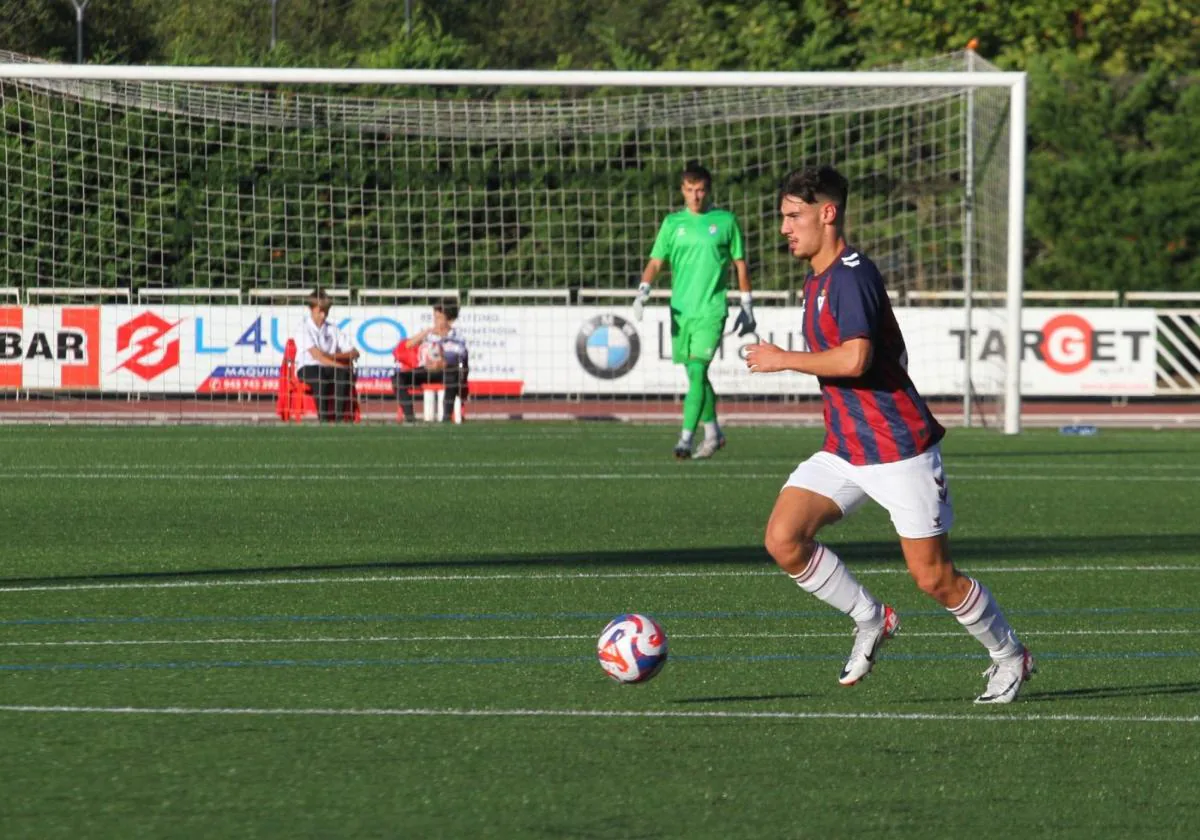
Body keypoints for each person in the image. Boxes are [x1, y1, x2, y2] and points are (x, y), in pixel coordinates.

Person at [744, 165, 1035, 704]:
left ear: (827, 213)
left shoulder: (852, 276)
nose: (783, 227)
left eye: (793, 215)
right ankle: (870, 617)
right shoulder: (819, 277)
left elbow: (857, 358)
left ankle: (1010, 655)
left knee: (935, 579)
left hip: (899, 451)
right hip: (848, 450)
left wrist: (784, 359)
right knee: (784, 539)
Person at [634, 161, 755, 460]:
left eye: (700, 190)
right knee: (695, 376)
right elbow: (656, 261)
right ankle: (714, 432)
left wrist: (747, 304)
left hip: (712, 310)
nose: (695, 196)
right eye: (690, 190)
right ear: (682, 191)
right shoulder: (673, 224)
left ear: (708, 190)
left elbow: (739, 262)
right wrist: (643, 290)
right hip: (680, 313)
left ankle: (685, 439)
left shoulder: (725, 221)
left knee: (699, 370)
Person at [393, 300, 469, 423]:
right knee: (398, 378)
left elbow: (460, 355)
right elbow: (407, 345)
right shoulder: (428, 334)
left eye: (439, 317)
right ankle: (410, 418)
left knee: (452, 376)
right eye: (434, 317)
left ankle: (446, 418)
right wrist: (426, 332)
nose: (435, 320)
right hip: (426, 370)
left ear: (448, 319)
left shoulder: (456, 336)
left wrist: (443, 362)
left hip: (445, 369)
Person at [292, 287, 359, 423]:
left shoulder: (332, 329)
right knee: (320, 376)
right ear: (312, 309)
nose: (323, 315)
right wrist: (338, 363)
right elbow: (317, 356)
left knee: (343, 374)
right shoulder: (303, 328)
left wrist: (333, 357)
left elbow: (355, 352)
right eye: (320, 311)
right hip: (307, 367)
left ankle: (339, 420)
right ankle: (323, 420)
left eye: (326, 312)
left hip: (329, 366)